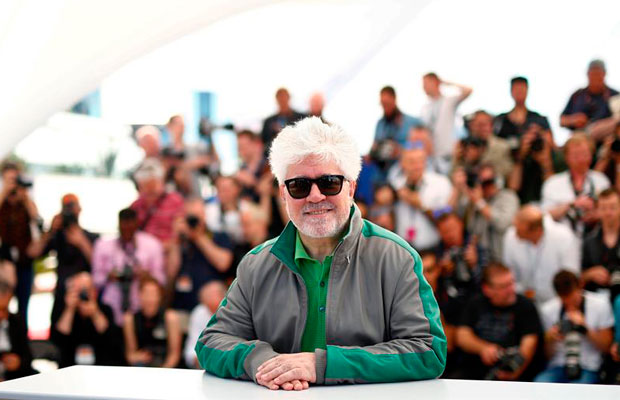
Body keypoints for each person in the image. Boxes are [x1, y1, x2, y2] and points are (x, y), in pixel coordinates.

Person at [195, 117, 446, 390]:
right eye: (299, 186)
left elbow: (427, 351)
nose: (315, 196)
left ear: (351, 187)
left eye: (329, 183)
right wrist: (264, 362)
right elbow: (212, 342)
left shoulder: (397, 258)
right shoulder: (256, 264)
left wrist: (322, 365)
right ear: (283, 193)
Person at [456, 264, 541, 381]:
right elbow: (462, 336)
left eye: (511, 283)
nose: (510, 290)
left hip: (514, 370)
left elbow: (530, 343)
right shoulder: (475, 303)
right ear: (487, 289)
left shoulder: (525, 306)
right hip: (475, 370)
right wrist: (483, 348)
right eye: (503, 286)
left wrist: (516, 370)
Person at [28, 194, 99, 328]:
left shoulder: (90, 237)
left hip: (85, 295)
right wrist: (50, 231)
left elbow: (99, 265)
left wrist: (81, 243)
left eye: (72, 206)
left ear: (79, 209)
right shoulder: (57, 236)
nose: (70, 211)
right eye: (66, 207)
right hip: (62, 295)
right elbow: (32, 253)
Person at [535, 270, 614, 383]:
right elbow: (546, 356)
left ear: (580, 286)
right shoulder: (548, 309)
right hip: (558, 364)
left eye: (573, 298)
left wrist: (585, 328)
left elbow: (606, 347)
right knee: (541, 383)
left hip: (588, 366)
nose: (569, 304)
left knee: (579, 388)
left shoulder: (599, 305)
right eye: (564, 300)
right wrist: (551, 338)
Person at [92, 208, 166, 326]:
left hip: (141, 309)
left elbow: (161, 280)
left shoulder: (152, 245)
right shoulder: (103, 246)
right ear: (118, 226)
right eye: (123, 228)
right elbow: (95, 280)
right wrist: (109, 276)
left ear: (136, 225)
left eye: (130, 229)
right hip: (111, 306)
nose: (127, 232)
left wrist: (146, 277)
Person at [502, 205, 580, 305]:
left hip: (557, 302)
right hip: (525, 301)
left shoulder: (563, 237)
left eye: (519, 231)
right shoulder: (510, 236)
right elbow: (509, 272)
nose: (515, 235)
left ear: (537, 230)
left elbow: (570, 275)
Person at [168, 197, 233, 313]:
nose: (194, 221)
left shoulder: (219, 236)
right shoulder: (180, 241)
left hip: (212, 308)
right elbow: (171, 272)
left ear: (204, 215)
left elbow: (223, 263)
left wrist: (198, 237)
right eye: (190, 217)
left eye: (197, 216)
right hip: (184, 306)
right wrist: (176, 240)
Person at [541, 133, 610, 239]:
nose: (581, 159)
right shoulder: (553, 183)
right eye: (576, 155)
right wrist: (571, 205)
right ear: (566, 157)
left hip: (596, 239)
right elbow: (544, 216)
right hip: (562, 239)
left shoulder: (601, 180)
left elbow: (613, 211)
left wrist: (596, 215)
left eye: (585, 154)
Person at [52, 272, 124, 367]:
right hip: (70, 366)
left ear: (94, 291)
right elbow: (59, 338)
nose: (83, 295)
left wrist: (95, 313)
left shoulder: (105, 309)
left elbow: (110, 338)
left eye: (86, 290)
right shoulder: (62, 309)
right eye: (78, 290)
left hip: (101, 365)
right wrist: (69, 309)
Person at [392, 145, 452, 251]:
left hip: (432, 249)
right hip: (402, 249)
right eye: (411, 162)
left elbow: (446, 215)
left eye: (420, 161)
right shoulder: (396, 185)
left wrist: (422, 206)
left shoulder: (441, 183)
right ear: (402, 164)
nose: (417, 166)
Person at [0, 162, 39, 324]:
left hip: (24, 261)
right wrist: (4, 191)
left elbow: (36, 218)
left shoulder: (25, 201)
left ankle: (21, 334)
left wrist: (25, 196)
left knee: (24, 306)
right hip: (4, 261)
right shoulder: (3, 201)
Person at [462, 164, 520, 262]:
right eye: (481, 182)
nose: (486, 186)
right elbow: (470, 228)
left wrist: (480, 203)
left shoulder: (508, 196)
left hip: (505, 259)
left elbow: (503, 223)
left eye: (489, 181)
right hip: (485, 261)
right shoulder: (476, 202)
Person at [123, 276, 181, 368]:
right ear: (139, 295)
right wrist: (137, 357)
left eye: (153, 294)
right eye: (146, 293)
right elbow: (130, 355)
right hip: (141, 365)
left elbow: (174, 355)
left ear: (160, 296)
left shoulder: (170, 317)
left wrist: (164, 370)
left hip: (164, 365)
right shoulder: (130, 319)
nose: (150, 298)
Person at [420, 73, 472, 172]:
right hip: (432, 158)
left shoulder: (448, 101)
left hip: (448, 156)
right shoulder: (425, 108)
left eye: (426, 83)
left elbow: (468, 90)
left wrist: (446, 83)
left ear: (436, 82)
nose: (424, 87)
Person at [369, 86, 423, 178]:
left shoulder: (413, 122)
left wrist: (400, 151)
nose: (385, 108)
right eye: (382, 104)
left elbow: (422, 148)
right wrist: (373, 153)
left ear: (394, 99)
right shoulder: (380, 124)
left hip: (405, 175)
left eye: (387, 104)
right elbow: (374, 146)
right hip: (382, 174)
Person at [130, 158, 184, 248]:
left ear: (162, 182)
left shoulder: (175, 201)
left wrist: (159, 248)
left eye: (153, 189)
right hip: (143, 251)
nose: (150, 194)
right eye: (146, 188)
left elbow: (179, 235)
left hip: (167, 251)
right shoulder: (136, 206)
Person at [560, 60, 620, 142]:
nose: (596, 77)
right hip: (579, 139)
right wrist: (573, 120)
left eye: (598, 74)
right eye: (593, 74)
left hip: (606, 141)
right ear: (588, 74)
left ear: (604, 74)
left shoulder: (615, 96)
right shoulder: (577, 95)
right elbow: (562, 120)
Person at [508, 124, 566, 205]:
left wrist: (546, 162)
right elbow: (512, 188)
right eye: (530, 136)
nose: (535, 141)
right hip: (526, 205)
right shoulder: (523, 158)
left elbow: (555, 190)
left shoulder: (559, 158)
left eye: (538, 135)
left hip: (551, 204)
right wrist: (520, 158)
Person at [0, 260, 36, 381]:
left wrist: (19, 362)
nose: (1, 314)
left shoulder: (15, 321)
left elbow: (28, 357)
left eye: (5, 309)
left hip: (13, 381)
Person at [581, 188, 620, 301]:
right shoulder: (588, 241)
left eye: (612, 207)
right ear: (597, 210)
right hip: (597, 298)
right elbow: (579, 276)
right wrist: (590, 274)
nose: (608, 212)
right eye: (603, 208)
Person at [494, 76, 551, 149]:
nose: (519, 92)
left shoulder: (539, 119)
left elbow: (550, 144)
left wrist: (539, 134)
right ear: (511, 91)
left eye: (522, 89)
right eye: (517, 89)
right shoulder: (500, 120)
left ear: (527, 90)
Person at [183, 281, 227, 368]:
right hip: (204, 363)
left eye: (214, 295)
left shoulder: (234, 311)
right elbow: (192, 346)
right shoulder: (199, 312)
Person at [235, 130, 267, 202]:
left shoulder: (268, 166)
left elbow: (269, 190)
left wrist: (253, 182)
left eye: (244, 146)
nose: (240, 150)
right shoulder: (242, 168)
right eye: (239, 147)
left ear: (256, 144)